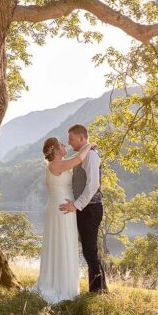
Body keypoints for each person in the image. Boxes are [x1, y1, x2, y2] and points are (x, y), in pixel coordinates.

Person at [32, 135, 94, 304]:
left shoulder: (56, 164)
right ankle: (61, 286)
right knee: (63, 242)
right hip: (62, 208)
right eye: (61, 144)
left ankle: (61, 282)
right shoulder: (56, 165)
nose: (64, 144)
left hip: (61, 206)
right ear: (56, 150)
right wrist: (89, 144)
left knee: (63, 242)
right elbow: (79, 158)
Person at [59, 123, 107, 293]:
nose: (69, 142)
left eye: (71, 139)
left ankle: (98, 291)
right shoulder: (83, 154)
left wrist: (77, 205)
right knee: (89, 250)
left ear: (81, 138)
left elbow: (93, 184)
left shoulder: (91, 156)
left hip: (91, 208)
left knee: (89, 251)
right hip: (85, 209)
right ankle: (100, 288)